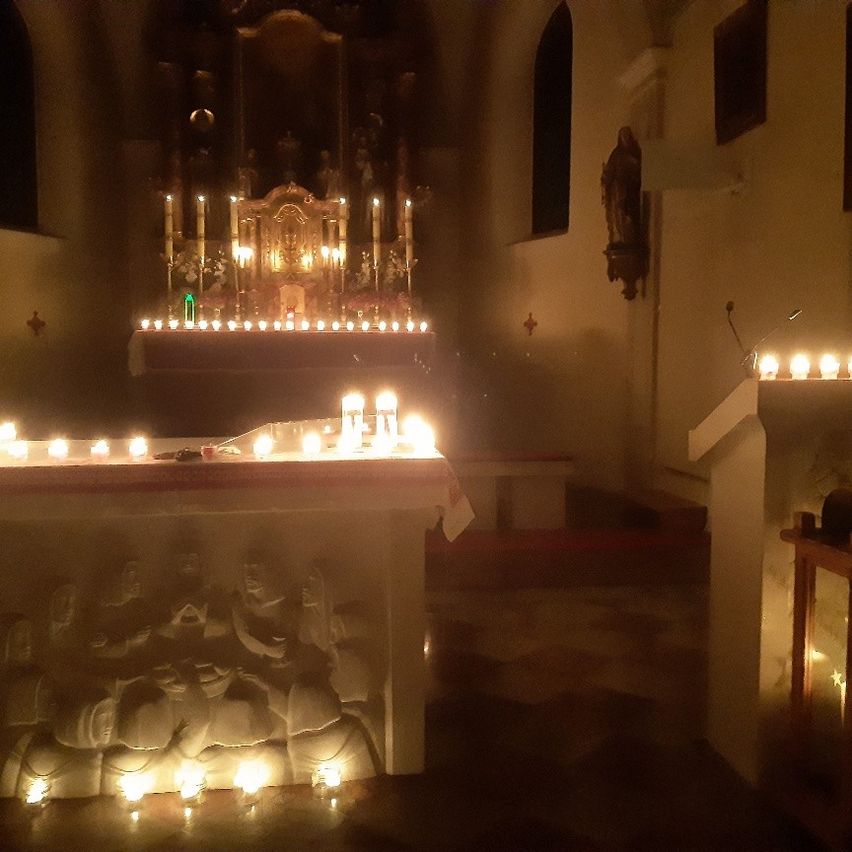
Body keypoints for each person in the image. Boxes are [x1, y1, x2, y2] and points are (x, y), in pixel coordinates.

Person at [601, 126, 642, 247]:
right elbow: (610, 171)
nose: (625, 138)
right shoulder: (616, 153)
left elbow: (637, 170)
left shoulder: (634, 152)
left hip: (629, 190)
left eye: (627, 136)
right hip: (617, 190)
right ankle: (619, 237)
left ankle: (628, 237)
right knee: (617, 212)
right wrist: (605, 176)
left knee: (627, 213)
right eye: (623, 136)